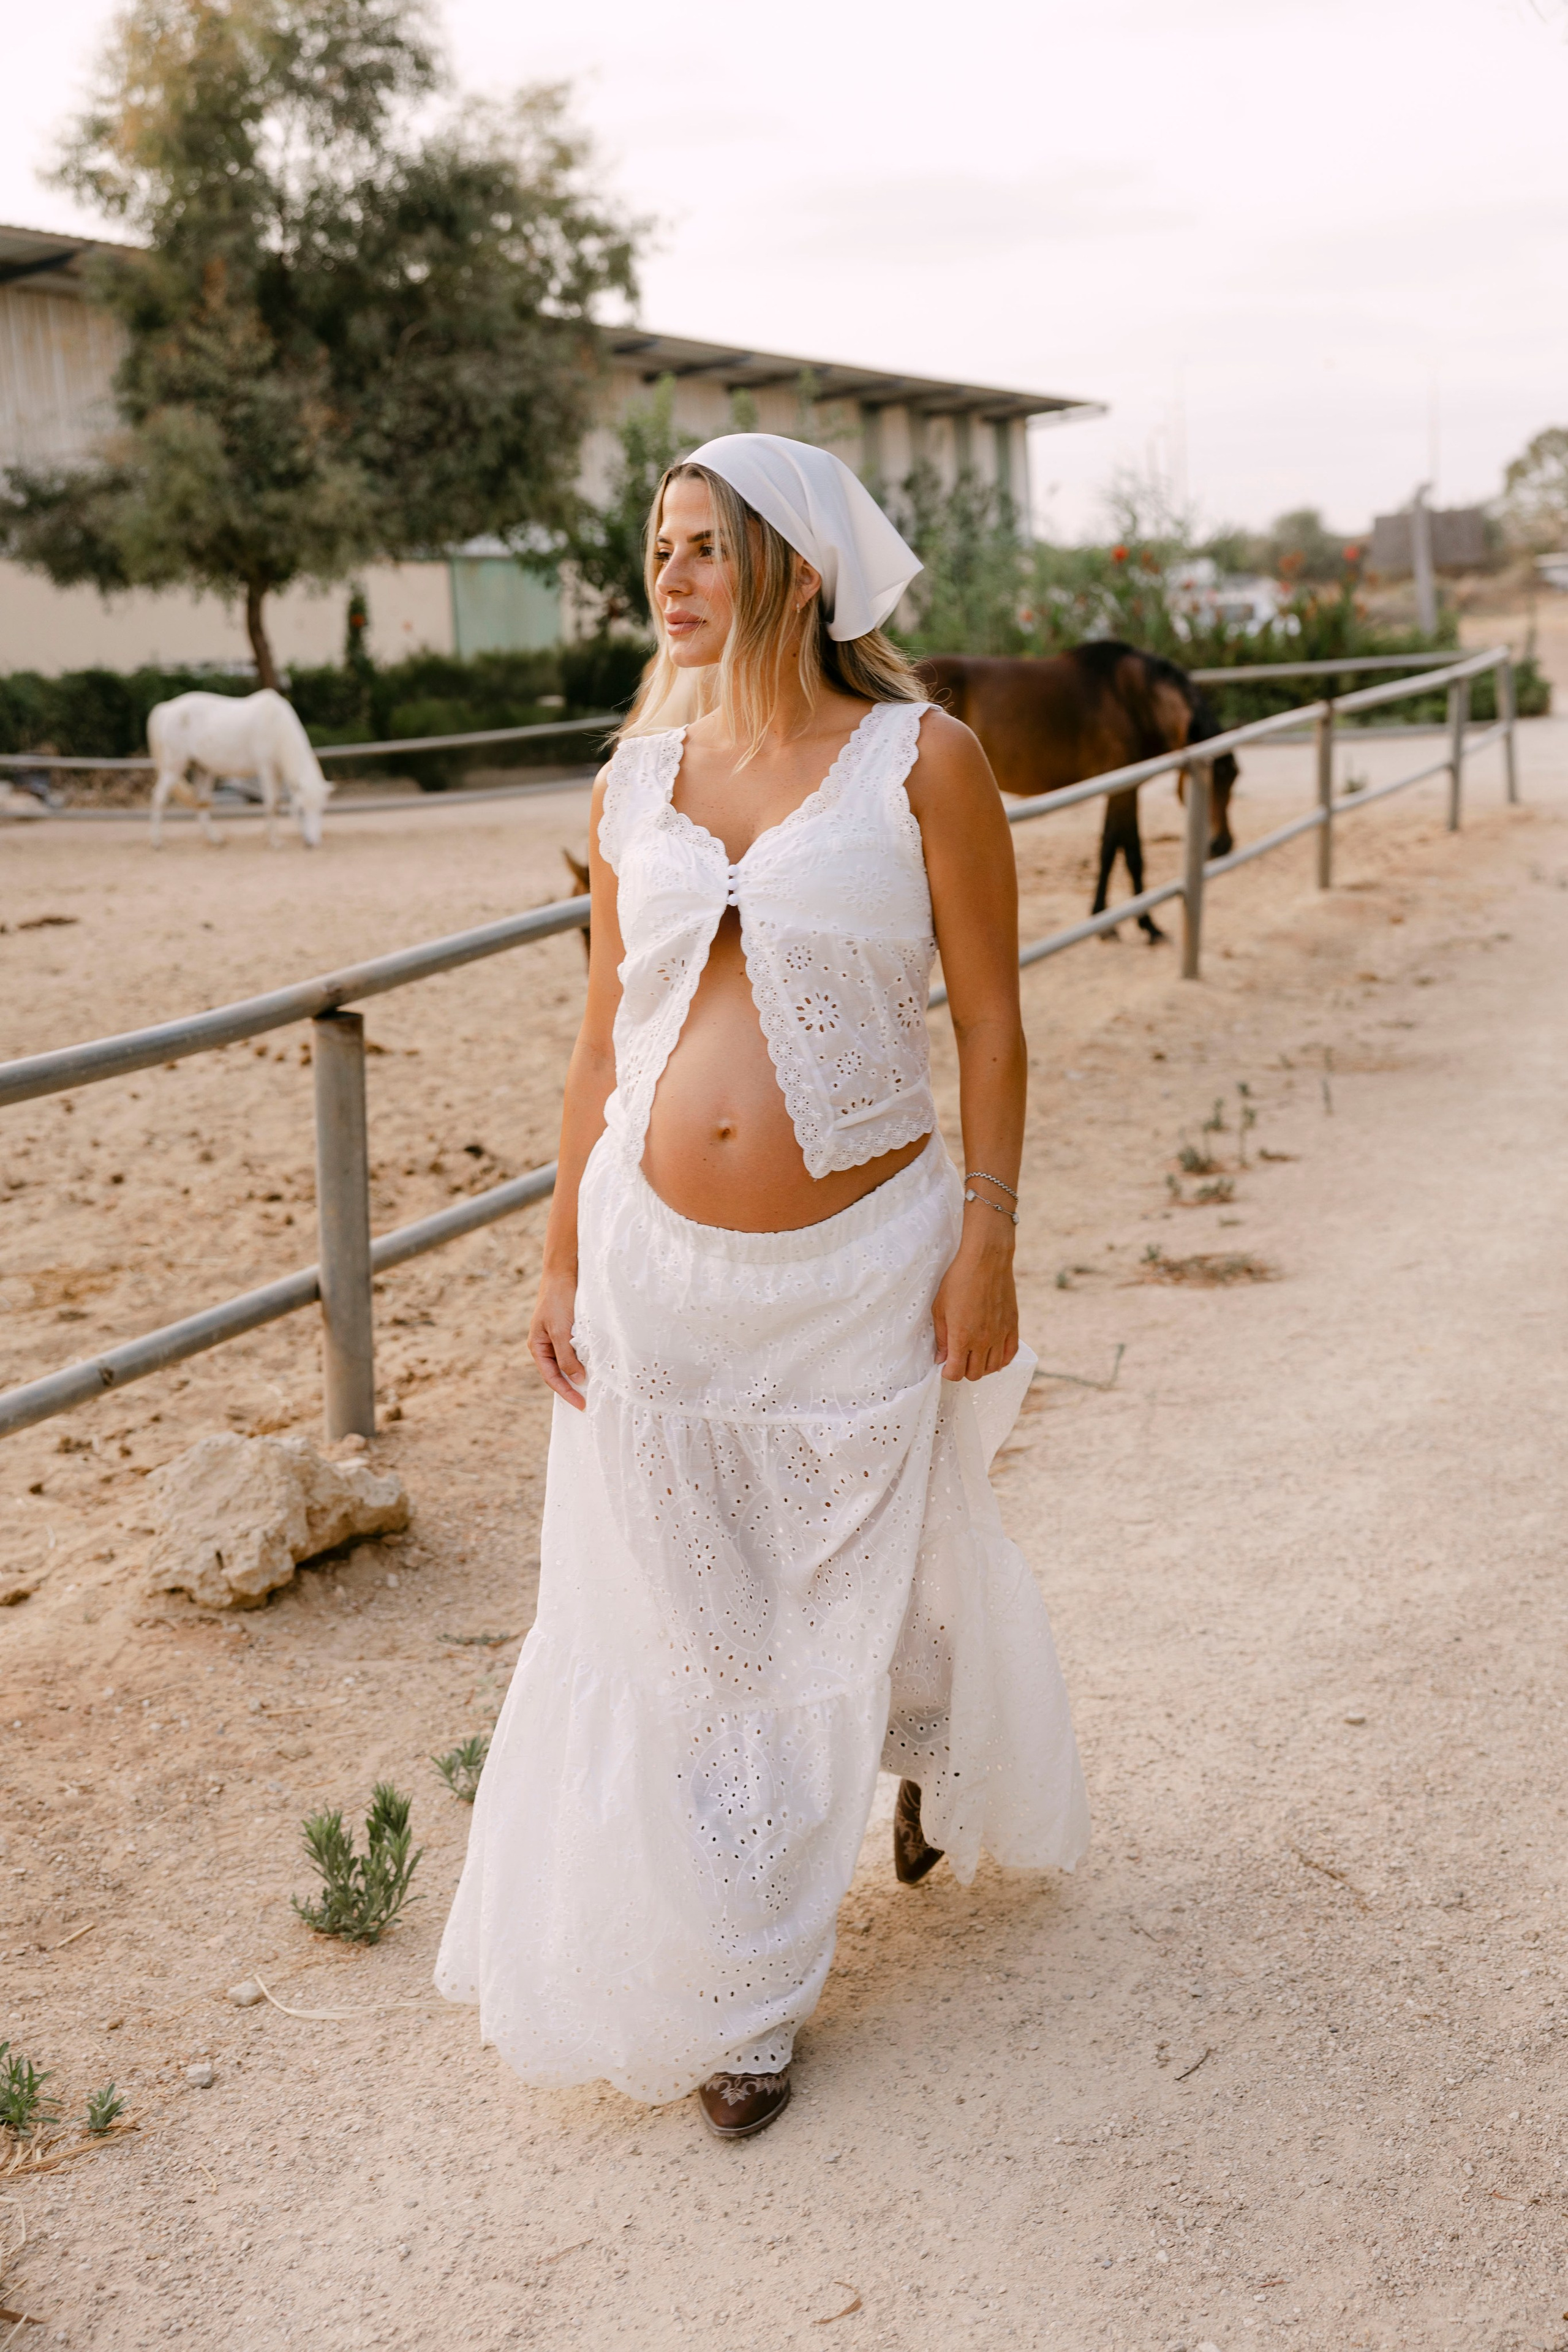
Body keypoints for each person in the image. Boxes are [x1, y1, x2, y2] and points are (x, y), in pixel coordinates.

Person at [436, 434, 1088, 2139]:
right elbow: (601, 1038)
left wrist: (992, 1233)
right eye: (658, 546)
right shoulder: (629, 785)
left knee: (851, 1595)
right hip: (656, 1269)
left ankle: (905, 1743)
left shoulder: (922, 763)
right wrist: (562, 1250)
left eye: (706, 545)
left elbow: (997, 1025)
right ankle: (750, 1997)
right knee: (703, 1635)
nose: (670, 576)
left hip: (865, 1267)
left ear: (797, 568)